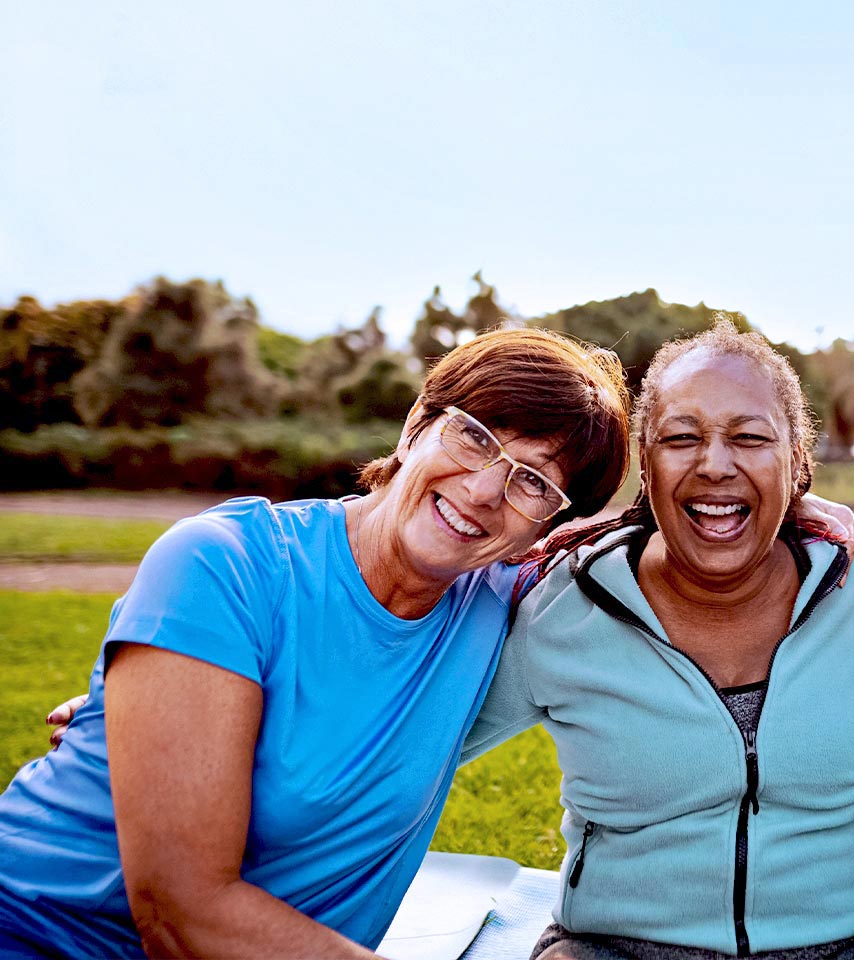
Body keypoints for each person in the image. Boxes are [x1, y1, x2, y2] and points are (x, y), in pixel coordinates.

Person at [0, 328, 632, 959]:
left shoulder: (507, 602)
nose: (483, 490)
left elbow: (677, 551)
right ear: (417, 424)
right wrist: (155, 706)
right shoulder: (227, 563)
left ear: (550, 521)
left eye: (533, 483)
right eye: (474, 437)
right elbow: (181, 914)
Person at [466, 321, 854, 959]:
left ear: (797, 463)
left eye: (750, 438)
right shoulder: (562, 607)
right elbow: (420, 751)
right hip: (610, 947)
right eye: (681, 438)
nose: (714, 463)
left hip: (844, 947)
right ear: (646, 468)